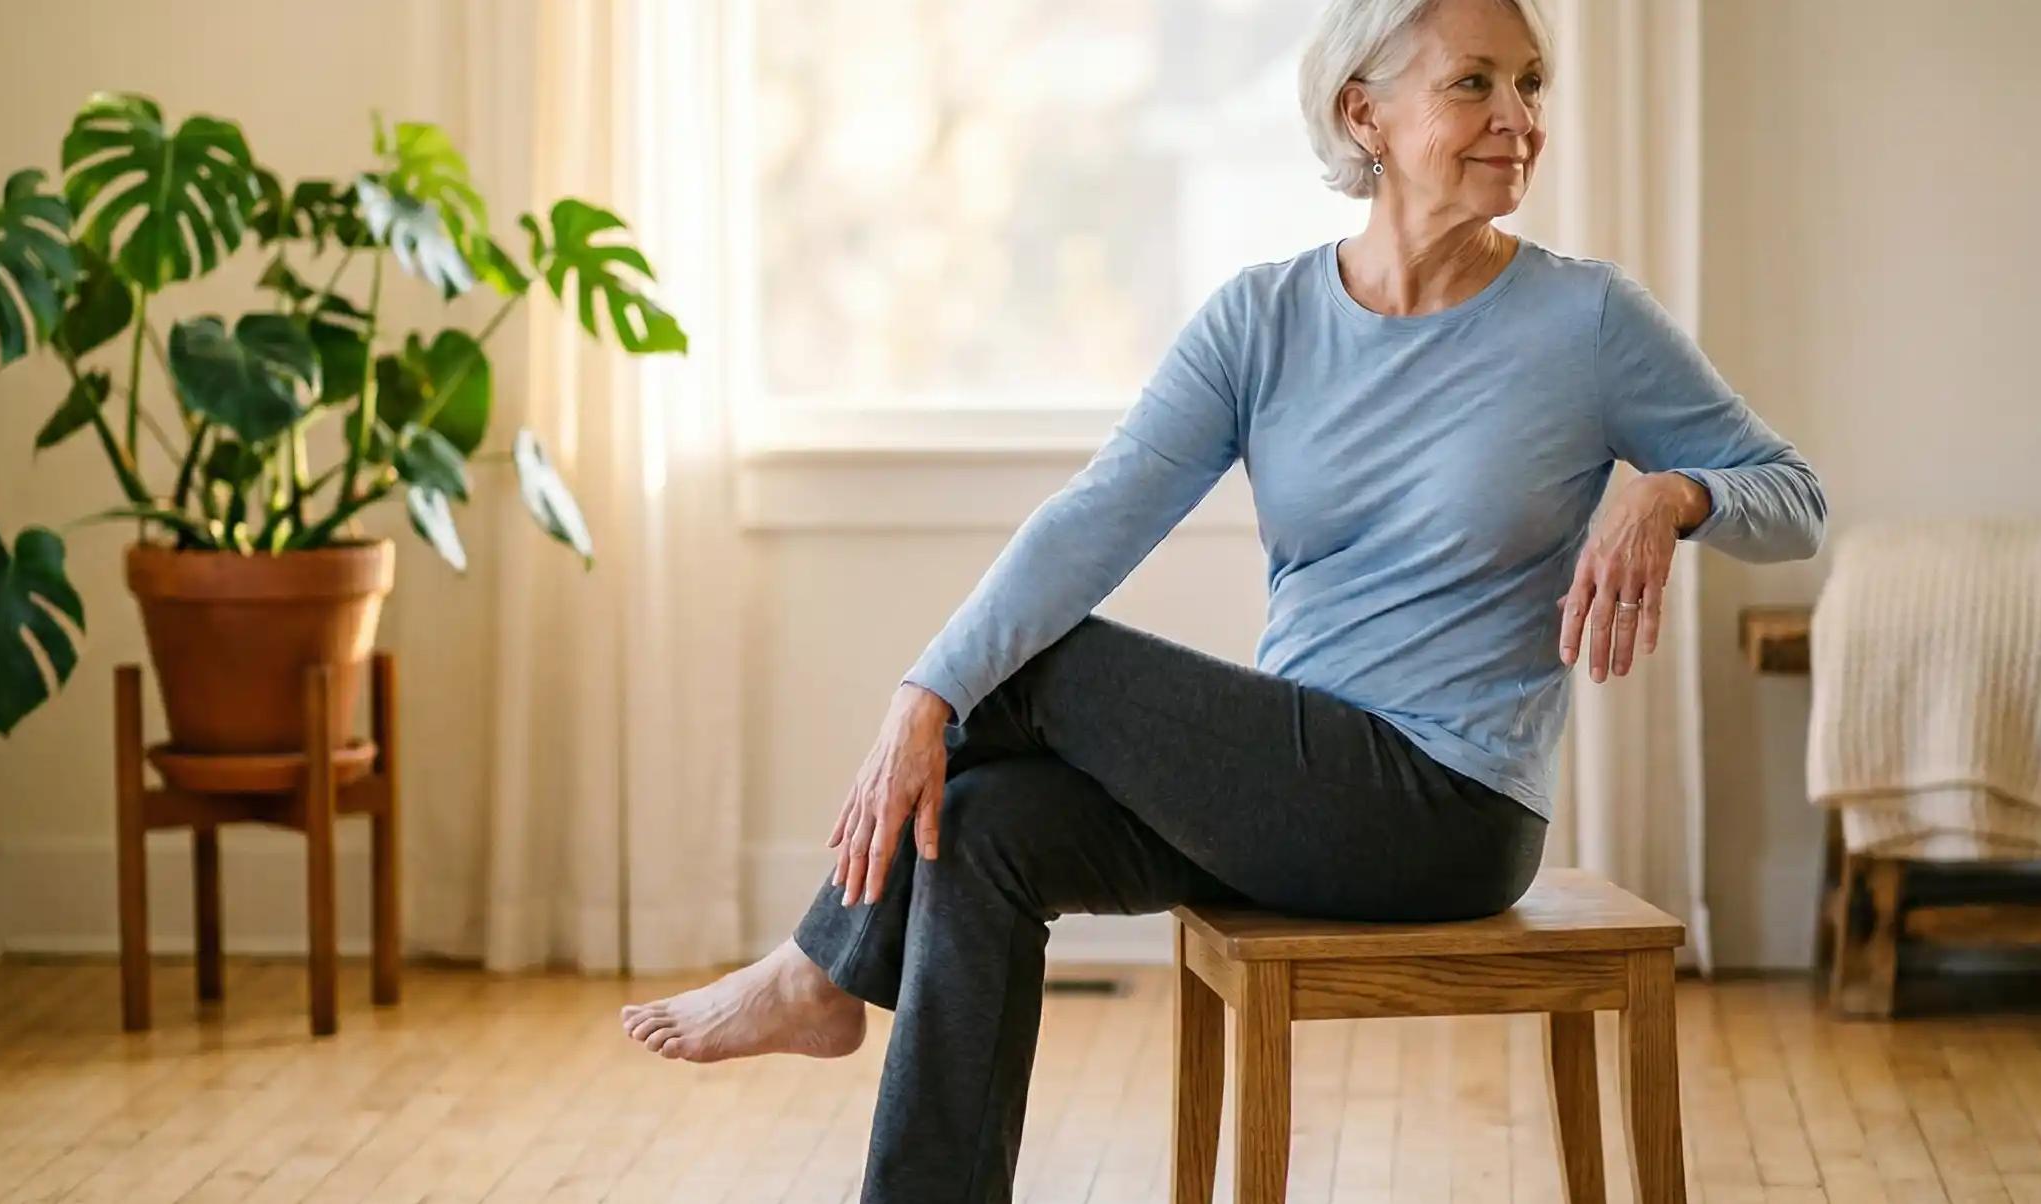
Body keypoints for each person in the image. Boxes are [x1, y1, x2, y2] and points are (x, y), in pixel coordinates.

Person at [620, 0, 1828, 1196]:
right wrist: (923, 695)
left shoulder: (1589, 321)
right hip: (1288, 796)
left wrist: (1672, 493)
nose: (1516, 118)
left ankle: (817, 968)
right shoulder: (1263, 320)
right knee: (977, 832)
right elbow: (1096, 518)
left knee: (1040, 667)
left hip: (1448, 810)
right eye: (1475, 84)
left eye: (1530, 85)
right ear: (1366, 111)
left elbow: (1797, 498)